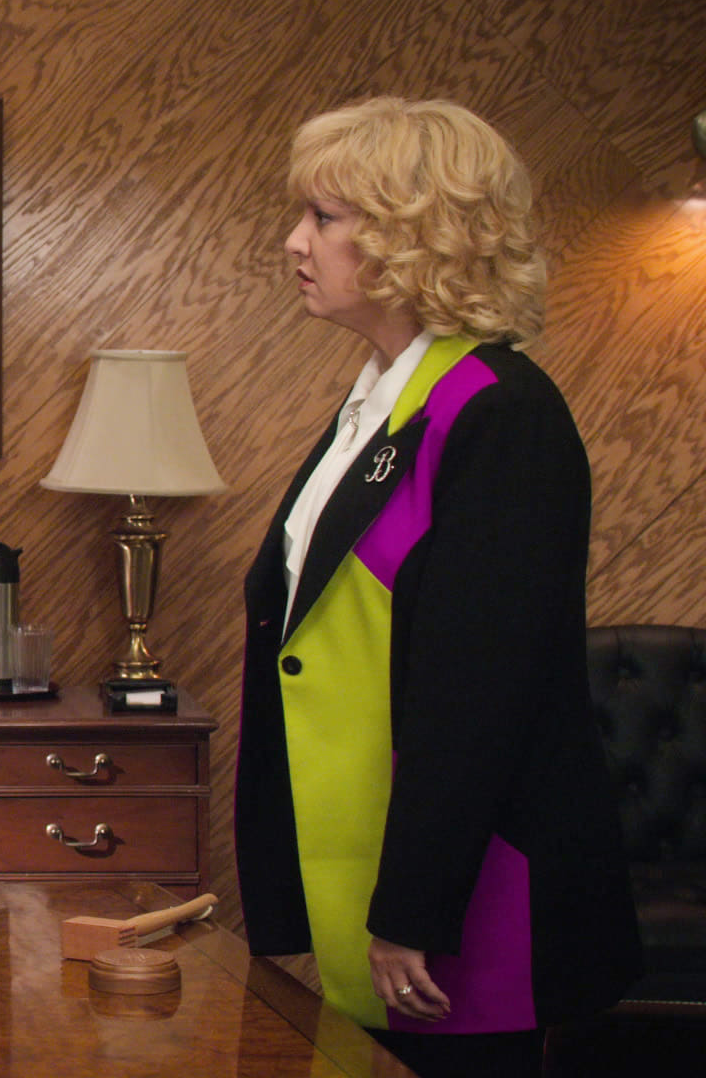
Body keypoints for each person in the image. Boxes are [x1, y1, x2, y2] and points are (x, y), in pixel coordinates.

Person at [235, 97, 640, 1078]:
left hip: (466, 902)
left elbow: (480, 691)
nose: (295, 242)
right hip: (368, 872)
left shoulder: (500, 413)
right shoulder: (379, 403)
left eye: (324, 217)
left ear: (411, 237)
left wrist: (413, 911)